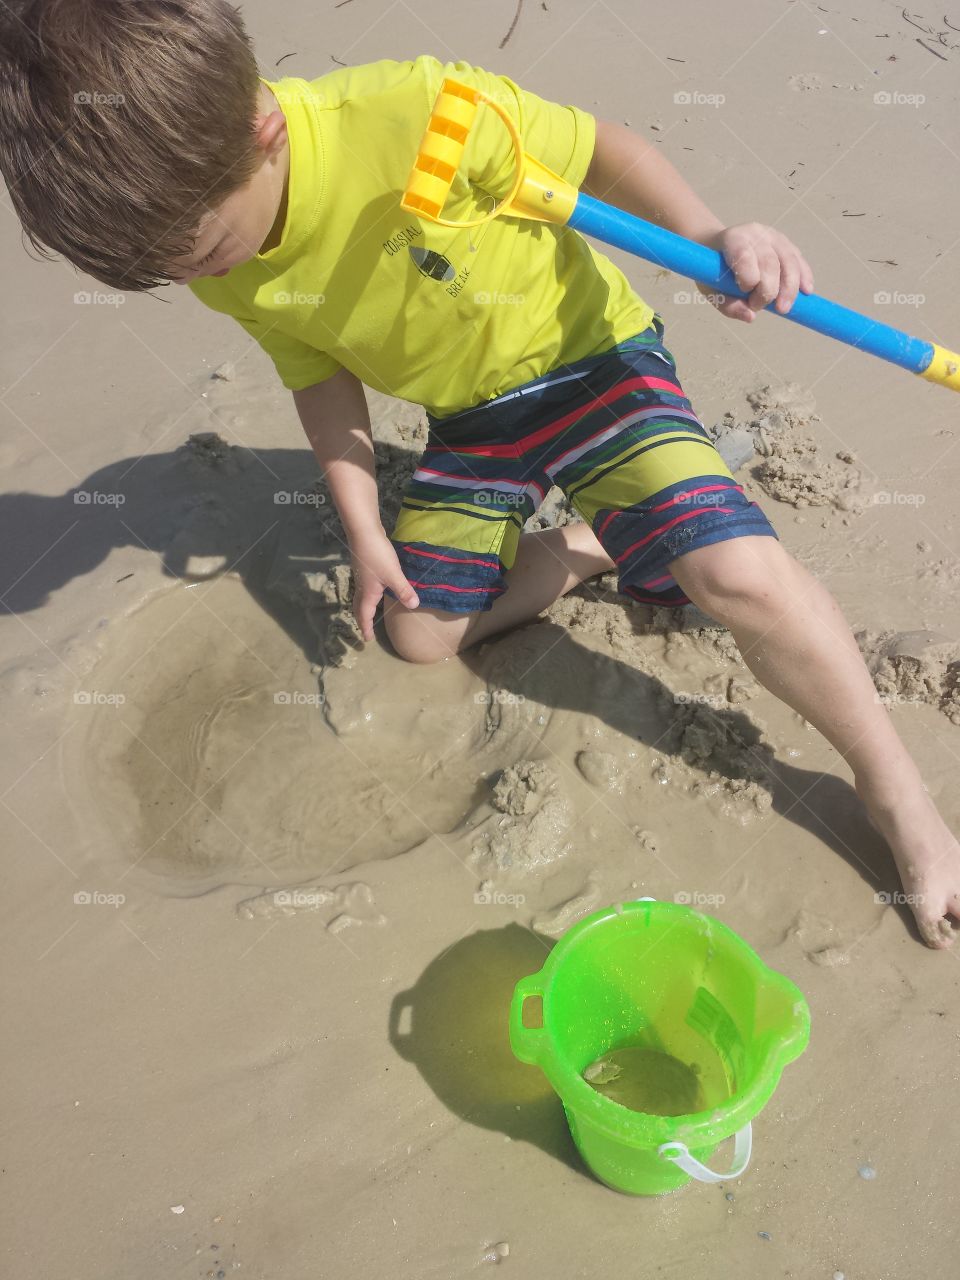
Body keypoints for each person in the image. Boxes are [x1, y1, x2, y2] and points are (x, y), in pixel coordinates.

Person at [2, 0, 957, 947]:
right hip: (471, 422)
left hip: (594, 360)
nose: (197, 276)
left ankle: (892, 790)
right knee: (419, 632)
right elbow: (318, 372)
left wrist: (715, 236)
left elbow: (601, 152)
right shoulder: (213, 253)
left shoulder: (420, 110)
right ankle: (590, 544)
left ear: (260, 134)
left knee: (731, 576)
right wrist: (367, 534)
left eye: (202, 250)